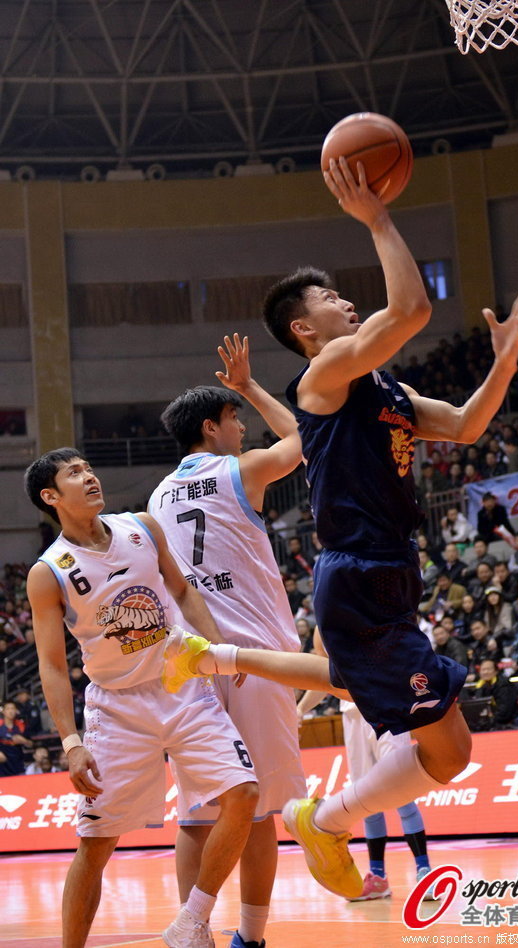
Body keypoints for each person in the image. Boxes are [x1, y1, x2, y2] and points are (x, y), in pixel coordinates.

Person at [257, 156, 518, 896]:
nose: (346, 302)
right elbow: (410, 311)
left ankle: (327, 815)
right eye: (331, 298)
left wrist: (502, 363)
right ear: (302, 328)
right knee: (449, 751)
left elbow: (470, 425)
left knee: (444, 745)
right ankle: (327, 818)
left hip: (386, 572)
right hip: (358, 572)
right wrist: (376, 217)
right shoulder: (321, 381)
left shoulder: (385, 386)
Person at [24, 448, 259, 948]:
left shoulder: (143, 526)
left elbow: (183, 589)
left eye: (89, 467)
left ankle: (191, 921)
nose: (89, 477)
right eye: (74, 474)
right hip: (118, 708)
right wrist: (70, 741)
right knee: (96, 845)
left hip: (182, 685)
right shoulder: (49, 572)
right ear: (51, 496)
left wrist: (216, 647)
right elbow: (52, 664)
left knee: (244, 795)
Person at [150, 336, 306, 948]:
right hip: (253, 660)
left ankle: (196, 933)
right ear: (212, 427)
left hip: (192, 664)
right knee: (260, 809)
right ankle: (252, 937)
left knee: (196, 813)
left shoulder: (158, 497)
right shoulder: (240, 469)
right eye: (236, 419)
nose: (243, 429)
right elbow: (303, 437)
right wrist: (251, 386)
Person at [296, 628, 433, 901]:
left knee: (401, 789)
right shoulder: (322, 627)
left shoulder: (372, 605)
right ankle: (378, 877)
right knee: (366, 797)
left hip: (386, 705)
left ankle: (425, 873)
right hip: (352, 713)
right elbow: (323, 675)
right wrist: (300, 709)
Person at [471, 659, 518, 730]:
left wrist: (490, 720)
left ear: (496, 671)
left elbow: (505, 711)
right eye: (483, 670)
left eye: (488, 669)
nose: (485, 672)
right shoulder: (480, 686)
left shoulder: (504, 685)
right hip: (489, 721)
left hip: (506, 722)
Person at [0, 698, 32, 775]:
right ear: (3, 711)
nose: (10, 711)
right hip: (2, 764)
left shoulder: (22, 725)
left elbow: (31, 744)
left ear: (16, 711)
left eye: (13, 708)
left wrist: (24, 741)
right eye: (8, 709)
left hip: (18, 763)